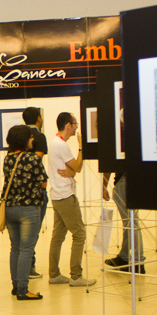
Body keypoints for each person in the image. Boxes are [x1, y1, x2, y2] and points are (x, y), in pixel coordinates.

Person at [47, 112, 96, 287]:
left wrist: (72, 171)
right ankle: (76, 276)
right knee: (79, 233)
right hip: (65, 196)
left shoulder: (55, 143)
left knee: (58, 236)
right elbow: (78, 166)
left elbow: (72, 170)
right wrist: (81, 147)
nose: (76, 128)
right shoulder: (61, 145)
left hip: (57, 195)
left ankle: (54, 274)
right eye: (75, 124)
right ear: (68, 125)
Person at [2, 124, 48, 300]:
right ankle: (23, 289)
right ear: (24, 139)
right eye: (30, 137)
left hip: (10, 208)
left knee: (15, 248)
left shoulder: (8, 159)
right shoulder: (33, 159)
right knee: (27, 249)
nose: (32, 139)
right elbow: (43, 182)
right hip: (28, 209)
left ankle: (16, 286)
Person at [22, 106, 49, 280]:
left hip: (21, 190)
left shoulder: (19, 135)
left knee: (22, 234)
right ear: (39, 118)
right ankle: (29, 267)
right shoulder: (39, 136)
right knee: (33, 231)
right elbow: (37, 160)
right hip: (37, 189)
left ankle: (24, 267)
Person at [102, 172, 144, 273]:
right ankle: (124, 257)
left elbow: (108, 165)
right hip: (136, 179)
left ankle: (137, 262)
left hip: (124, 180)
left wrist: (103, 186)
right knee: (129, 222)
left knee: (131, 223)